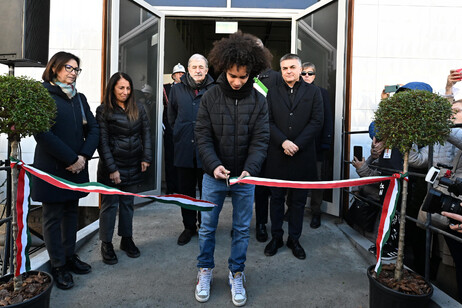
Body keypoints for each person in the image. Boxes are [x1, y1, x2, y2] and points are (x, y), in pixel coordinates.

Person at [194, 31, 271, 306]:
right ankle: (205, 271)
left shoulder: (259, 100)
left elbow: (261, 139)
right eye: (232, 75)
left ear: (251, 72)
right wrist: (213, 165)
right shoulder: (210, 96)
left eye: (243, 76)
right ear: (224, 69)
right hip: (213, 176)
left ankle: (236, 273)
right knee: (207, 228)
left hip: (245, 177)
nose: (237, 82)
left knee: (241, 228)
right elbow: (202, 135)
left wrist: (250, 169)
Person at [32, 51, 99, 290]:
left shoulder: (79, 99)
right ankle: (58, 266)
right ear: (55, 68)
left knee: (72, 213)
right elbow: (42, 134)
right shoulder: (42, 95)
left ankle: (70, 257)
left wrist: (83, 157)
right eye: (68, 68)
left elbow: (94, 129)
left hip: (76, 168)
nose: (73, 73)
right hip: (52, 168)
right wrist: (71, 158)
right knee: (52, 218)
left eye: (76, 69)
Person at [264, 53, 323, 260]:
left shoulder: (314, 92)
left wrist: (297, 144)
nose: (288, 71)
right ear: (281, 71)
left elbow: (317, 121)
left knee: (298, 202)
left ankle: (294, 239)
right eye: (284, 68)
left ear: (299, 69)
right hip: (277, 155)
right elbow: (267, 122)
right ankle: (276, 237)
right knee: (277, 200)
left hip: (302, 155)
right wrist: (283, 142)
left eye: (292, 67)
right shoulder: (271, 92)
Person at [96, 72, 152, 265]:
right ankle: (106, 244)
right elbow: (102, 142)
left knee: (128, 204)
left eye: (128, 88)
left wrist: (146, 157)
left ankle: (126, 240)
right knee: (110, 205)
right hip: (112, 167)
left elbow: (146, 133)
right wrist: (112, 168)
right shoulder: (103, 110)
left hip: (133, 164)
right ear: (112, 88)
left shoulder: (139, 108)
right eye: (121, 88)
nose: (125, 92)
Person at [168, 55, 215, 246]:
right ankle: (189, 227)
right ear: (188, 69)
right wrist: (181, 133)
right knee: (186, 192)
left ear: (206, 70)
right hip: (184, 149)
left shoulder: (215, 89)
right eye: (194, 67)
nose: (197, 70)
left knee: (207, 191)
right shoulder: (177, 90)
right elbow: (172, 117)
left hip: (207, 151)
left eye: (201, 67)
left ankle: (205, 225)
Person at [301, 62, 333, 228]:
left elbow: (327, 117)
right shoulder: (294, 91)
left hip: (316, 145)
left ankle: (316, 212)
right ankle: (291, 208)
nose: (306, 76)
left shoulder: (321, 92)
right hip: (297, 145)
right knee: (294, 178)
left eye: (310, 73)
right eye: (304, 73)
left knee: (317, 179)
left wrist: (326, 141)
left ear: (315, 75)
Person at [253, 38, 280, 243]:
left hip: (272, 141)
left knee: (274, 187)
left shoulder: (276, 77)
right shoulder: (239, 75)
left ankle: (276, 228)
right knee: (256, 188)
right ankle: (259, 224)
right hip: (249, 141)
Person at [162, 63, 185, 195]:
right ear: (173, 76)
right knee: (170, 159)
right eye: (178, 74)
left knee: (182, 160)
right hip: (170, 128)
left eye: (182, 74)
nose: (180, 76)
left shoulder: (188, 89)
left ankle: (182, 188)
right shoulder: (166, 89)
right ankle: (171, 189)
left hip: (183, 129)